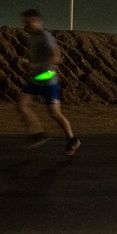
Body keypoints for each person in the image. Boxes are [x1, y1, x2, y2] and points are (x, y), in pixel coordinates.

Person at [17, 9, 80, 155]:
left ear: (37, 21)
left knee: (54, 113)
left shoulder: (46, 37)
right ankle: (37, 134)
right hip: (37, 77)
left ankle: (72, 139)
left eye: (28, 22)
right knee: (21, 105)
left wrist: (36, 66)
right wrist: (29, 66)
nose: (25, 26)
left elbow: (56, 58)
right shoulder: (32, 38)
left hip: (47, 76)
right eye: (24, 23)